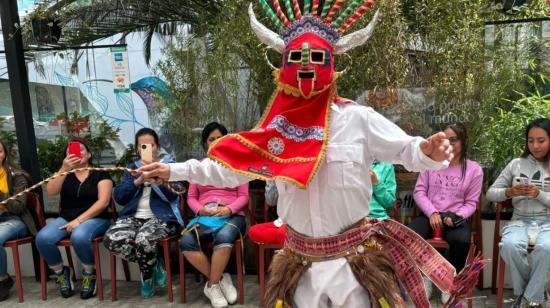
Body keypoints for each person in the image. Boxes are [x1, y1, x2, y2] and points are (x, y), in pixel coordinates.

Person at [137, 3, 483, 307]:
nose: (307, 67)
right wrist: (171, 171)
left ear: (332, 64)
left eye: (317, 58)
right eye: (296, 58)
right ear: (284, 65)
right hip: (298, 267)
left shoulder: (358, 119)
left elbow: (408, 150)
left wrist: (428, 150)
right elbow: (228, 171)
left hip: (356, 267)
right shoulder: (275, 131)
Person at [103, 128, 183, 299]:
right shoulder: (132, 169)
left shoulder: (169, 165)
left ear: (158, 147)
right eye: (143, 146)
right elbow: (120, 198)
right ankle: (155, 264)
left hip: (162, 218)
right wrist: (137, 181)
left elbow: (176, 193)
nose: (148, 148)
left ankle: (146, 279)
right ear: (138, 149)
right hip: (133, 217)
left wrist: (159, 180)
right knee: (111, 239)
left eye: (151, 145)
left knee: (143, 240)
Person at [408, 123, 483, 303]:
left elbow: (471, 203)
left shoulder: (474, 170)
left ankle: (450, 281)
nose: (449, 144)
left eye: (454, 140)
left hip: (454, 217)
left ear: (463, 142)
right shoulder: (431, 163)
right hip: (430, 214)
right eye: (445, 140)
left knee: (461, 240)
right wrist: (432, 212)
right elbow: (419, 192)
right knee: (410, 236)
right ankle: (424, 277)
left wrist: (457, 216)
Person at [180, 122, 248, 308]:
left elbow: (243, 196)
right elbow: (192, 197)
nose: (216, 142)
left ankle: (211, 284)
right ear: (205, 143)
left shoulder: (237, 166)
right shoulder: (200, 167)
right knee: (186, 241)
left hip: (232, 214)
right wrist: (200, 210)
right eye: (212, 139)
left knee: (224, 236)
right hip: (205, 216)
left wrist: (228, 209)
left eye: (220, 138)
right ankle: (219, 280)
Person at [35, 137, 113, 299]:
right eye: (70, 151)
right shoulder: (65, 174)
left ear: (89, 154)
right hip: (67, 217)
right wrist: (64, 168)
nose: (76, 153)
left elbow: (103, 201)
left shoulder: (100, 173)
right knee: (43, 238)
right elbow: (51, 191)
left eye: (81, 149)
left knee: (79, 235)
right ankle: (61, 272)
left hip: (96, 218)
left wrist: (79, 220)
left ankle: (89, 273)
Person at [487, 118, 550, 308]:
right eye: (531, 140)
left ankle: (524, 299)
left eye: (541, 140)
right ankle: (536, 295)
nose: (535, 146)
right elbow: (490, 194)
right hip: (519, 221)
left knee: (547, 248)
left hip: (547, 223)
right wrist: (509, 192)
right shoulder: (516, 164)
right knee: (509, 245)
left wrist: (539, 194)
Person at [0, 140, 35, 301]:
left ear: (5, 154)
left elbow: (19, 207)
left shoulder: (17, 176)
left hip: (14, 219)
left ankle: (2, 281)